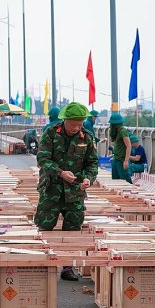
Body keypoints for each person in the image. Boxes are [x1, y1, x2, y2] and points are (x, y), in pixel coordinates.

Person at [35, 102, 98, 281]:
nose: (76, 127)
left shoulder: (86, 137)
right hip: (52, 188)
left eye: (80, 124)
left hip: (75, 190)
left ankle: (68, 266)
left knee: (73, 229)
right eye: (73, 124)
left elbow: (92, 163)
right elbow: (42, 159)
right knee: (45, 226)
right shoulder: (51, 133)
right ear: (65, 120)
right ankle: (42, 263)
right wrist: (60, 173)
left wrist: (88, 179)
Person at [108, 112, 132, 184]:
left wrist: (126, 160)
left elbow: (128, 146)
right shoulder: (117, 132)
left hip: (121, 160)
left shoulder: (123, 131)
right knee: (116, 180)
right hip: (116, 159)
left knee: (124, 179)